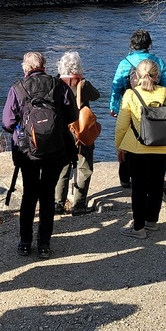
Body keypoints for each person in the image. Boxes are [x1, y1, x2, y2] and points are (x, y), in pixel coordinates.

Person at [2, 52, 77, 259]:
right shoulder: (58, 85)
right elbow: (73, 115)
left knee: (29, 194)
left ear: (26, 68)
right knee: (48, 194)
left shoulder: (18, 88)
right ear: (44, 66)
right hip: (55, 148)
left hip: (28, 151)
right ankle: (44, 243)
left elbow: (7, 123)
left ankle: (25, 242)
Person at [115, 59, 166, 238]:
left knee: (139, 187)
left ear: (137, 76)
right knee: (157, 183)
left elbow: (121, 126)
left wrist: (120, 147)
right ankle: (152, 221)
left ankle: (138, 228)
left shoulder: (131, 95)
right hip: (164, 147)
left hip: (137, 147)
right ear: (157, 76)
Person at [109, 30, 166, 188]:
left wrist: (114, 106)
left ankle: (125, 178)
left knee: (128, 137)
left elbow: (116, 87)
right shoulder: (158, 62)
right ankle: (150, 177)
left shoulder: (125, 63)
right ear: (149, 44)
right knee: (152, 136)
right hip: (154, 107)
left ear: (132, 44)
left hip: (130, 105)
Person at [53, 51, 101, 215]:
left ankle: (58, 203)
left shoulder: (55, 83)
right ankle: (78, 205)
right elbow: (96, 96)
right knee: (84, 167)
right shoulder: (83, 84)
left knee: (62, 167)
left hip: (62, 131)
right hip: (80, 130)